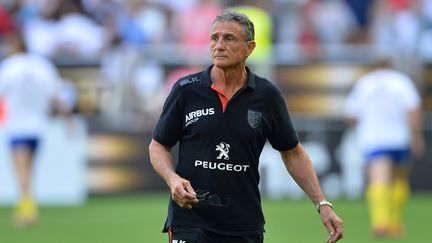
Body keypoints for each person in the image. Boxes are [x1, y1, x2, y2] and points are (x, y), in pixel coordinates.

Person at [148, 10, 343, 243]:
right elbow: (158, 145)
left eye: (228, 38)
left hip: (243, 224)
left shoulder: (267, 95)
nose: (219, 45)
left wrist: (322, 204)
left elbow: (292, 152)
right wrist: (172, 179)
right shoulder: (186, 90)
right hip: (190, 221)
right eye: (214, 38)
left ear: (249, 48)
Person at [344, 56, 425, 238]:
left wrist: (363, 126)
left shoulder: (365, 83)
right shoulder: (401, 82)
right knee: (399, 179)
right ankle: (395, 222)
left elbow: (351, 114)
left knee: (378, 179)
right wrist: (416, 136)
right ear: (391, 65)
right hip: (399, 138)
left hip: (374, 139)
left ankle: (380, 222)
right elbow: (413, 109)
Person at [0, 32, 69, 228]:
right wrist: (68, 119)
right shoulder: (42, 66)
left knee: (21, 172)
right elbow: (55, 96)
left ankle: (28, 213)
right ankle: (25, 208)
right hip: (38, 127)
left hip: (17, 126)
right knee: (28, 170)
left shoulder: (9, 67)